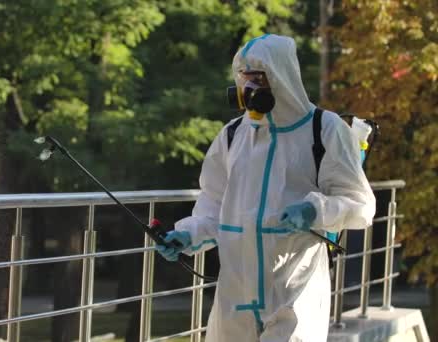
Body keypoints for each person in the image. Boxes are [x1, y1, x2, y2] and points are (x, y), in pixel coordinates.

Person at [155, 34, 376, 341]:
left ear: (282, 77)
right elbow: (213, 208)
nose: (249, 88)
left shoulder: (323, 130)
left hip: (295, 290)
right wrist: (186, 236)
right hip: (235, 294)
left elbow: (361, 206)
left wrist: (315, 210)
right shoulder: (233, 136)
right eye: (244, 78)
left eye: (259, 78)